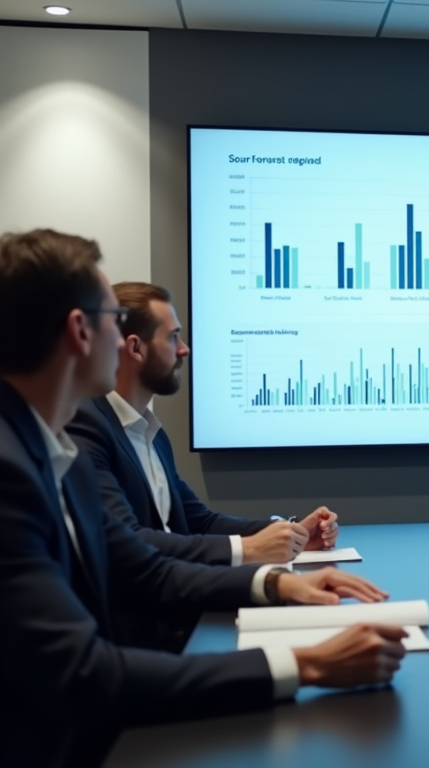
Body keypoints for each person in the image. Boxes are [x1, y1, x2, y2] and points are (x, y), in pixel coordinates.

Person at [0, 229, 408, 768]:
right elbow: (83, 673)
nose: (123, 337)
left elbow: (146, 570)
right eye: (113, 320)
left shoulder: (59, 459)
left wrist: (280, 580)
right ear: (80, 331)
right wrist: (305, 664)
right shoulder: (11, 474)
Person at [67, 282, 338, 568]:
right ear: (135, 347)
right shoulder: (87, 427)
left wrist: (292, 532)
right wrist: (247, 549)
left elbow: (200, 522)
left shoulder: (151, 434)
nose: (184, 350)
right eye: (173, 337)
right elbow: (128, 540)